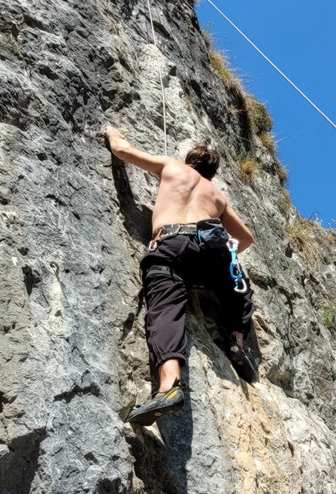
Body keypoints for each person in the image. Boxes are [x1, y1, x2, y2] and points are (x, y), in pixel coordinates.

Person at [104, 126, 257, 425]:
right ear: (211, 173)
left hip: (170, 244)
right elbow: (246, 239)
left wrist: (112, 132)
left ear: (189, 161)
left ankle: (169, 387)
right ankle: (237, 340)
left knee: (164, 307)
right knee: (238, 286)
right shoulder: (217, 195)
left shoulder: (172, 167)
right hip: (210, 248)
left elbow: (122, 151)